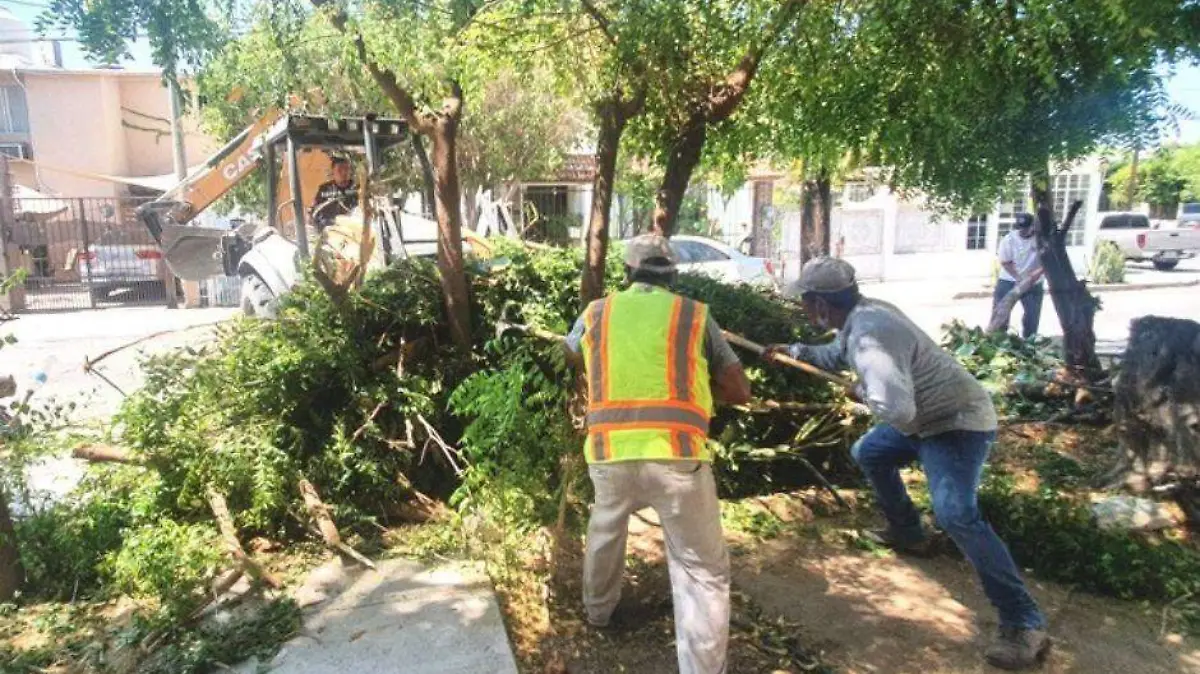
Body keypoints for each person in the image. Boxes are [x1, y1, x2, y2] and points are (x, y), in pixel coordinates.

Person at [764, 257, 1050, 671]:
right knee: (870, 452)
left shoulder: (872, 331)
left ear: (822, 305)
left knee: (956, 515)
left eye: (805, 303)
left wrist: (866, 394)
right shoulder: (861, 318)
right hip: (924, 419)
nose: (804, 310)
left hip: (955, 424)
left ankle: (1024, 623)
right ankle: (908, 532)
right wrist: (793, 351)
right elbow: (836, 355)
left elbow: (896, 409)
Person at [563, 234, 752, 674]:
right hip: (678, 457)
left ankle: (598, 612)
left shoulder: (596, 313)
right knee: (700, 570)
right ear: (674, 275)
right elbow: (739, 389)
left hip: (609, 453)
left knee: (605, 532)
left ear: (627, 273)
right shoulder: (694, 315)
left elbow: (569, 354)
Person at [993, 213, 1045, 338]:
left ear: (1033, 226)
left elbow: (1046, 261)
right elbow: (1005, 262)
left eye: (1026, 227)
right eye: (1020, 227)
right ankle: (998, 339)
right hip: (1009, 280)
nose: (1023, 230)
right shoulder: (1009, 239)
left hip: (1034, 282)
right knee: (1001, 313)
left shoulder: (1041, 240)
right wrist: (1019, 278)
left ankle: (1029, 341)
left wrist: (1033, 277)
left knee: (1032, 316)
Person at [310, 156, 358, 230]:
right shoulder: (324, 189)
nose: (344, 172)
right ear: (333, 172)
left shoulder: (358, 187)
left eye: (346, 169)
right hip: (331, 228)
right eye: (340, 170)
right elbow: (315, 211)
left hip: (354, 228)